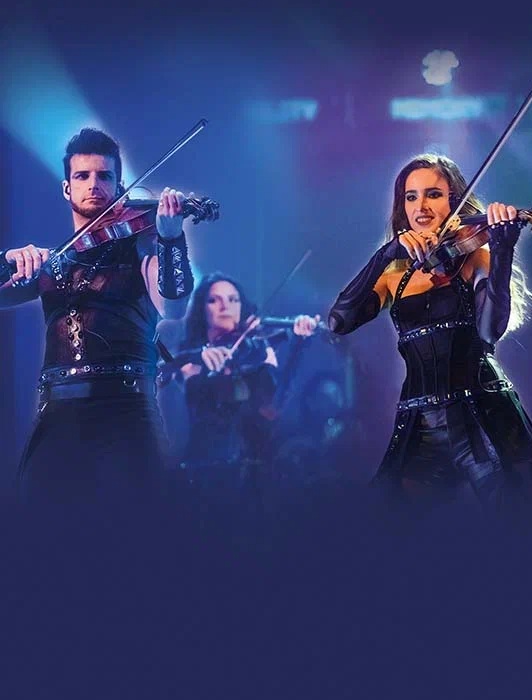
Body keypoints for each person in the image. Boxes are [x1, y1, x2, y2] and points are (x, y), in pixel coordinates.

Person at [328, 153, 532, 511]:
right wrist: (384, 255)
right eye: (411, 196)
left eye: (433, 194)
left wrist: (502, 250)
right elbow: (339, 321)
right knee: (387, 524)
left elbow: (489, 332)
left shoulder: (476, 258)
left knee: (514, 523)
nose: (421, 206)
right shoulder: (394, 275)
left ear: (453, 201)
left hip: (484, 413)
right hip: (420, 423)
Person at [0, 128, 195, 508]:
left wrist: (171, 238)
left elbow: (174, 307)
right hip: (58, 413)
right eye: (82, 175)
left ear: (120, 186)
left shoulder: (141, 248)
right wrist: (7, 260)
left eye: (104, 176)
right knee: (39, 528)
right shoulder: (52, 262)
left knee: (138, 528)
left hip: (127, 410)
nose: (94, 184)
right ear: (66, 188)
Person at [157, 272, 319, 525]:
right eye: (215, 300)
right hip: (204, 476)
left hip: (256, 479)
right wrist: (196, 357)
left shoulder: (258, 351)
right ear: (201, 309)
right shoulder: (190, 361)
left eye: (233, 300)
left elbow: (275, 406)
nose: (226, 306)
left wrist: (299, 344)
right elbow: (159, 375)